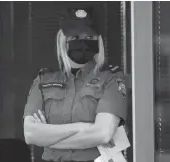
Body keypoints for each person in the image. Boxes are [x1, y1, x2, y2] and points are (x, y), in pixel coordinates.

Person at [23, 7, 127, 162]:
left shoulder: (111, 78)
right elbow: (30, 134)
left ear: (98, 40)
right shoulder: (44, 79)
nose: (83, 41)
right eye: (76, 36)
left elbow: (103, 133)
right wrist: (82, 128)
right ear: (63, 39)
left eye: (89, 36)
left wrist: (47, 135)